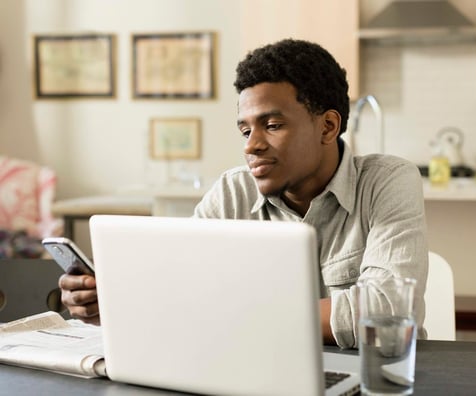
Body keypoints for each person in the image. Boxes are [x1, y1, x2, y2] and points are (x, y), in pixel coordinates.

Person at [59, 39, 429, 349]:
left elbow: (390, 310)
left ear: (328, 126)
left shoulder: (387, 181)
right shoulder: (232, 191)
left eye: (272, 125)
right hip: (257, 371)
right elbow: (177, 287)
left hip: (378, 376)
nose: (252, 146)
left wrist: (233, 312)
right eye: (244, 131)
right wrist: (109, 304)